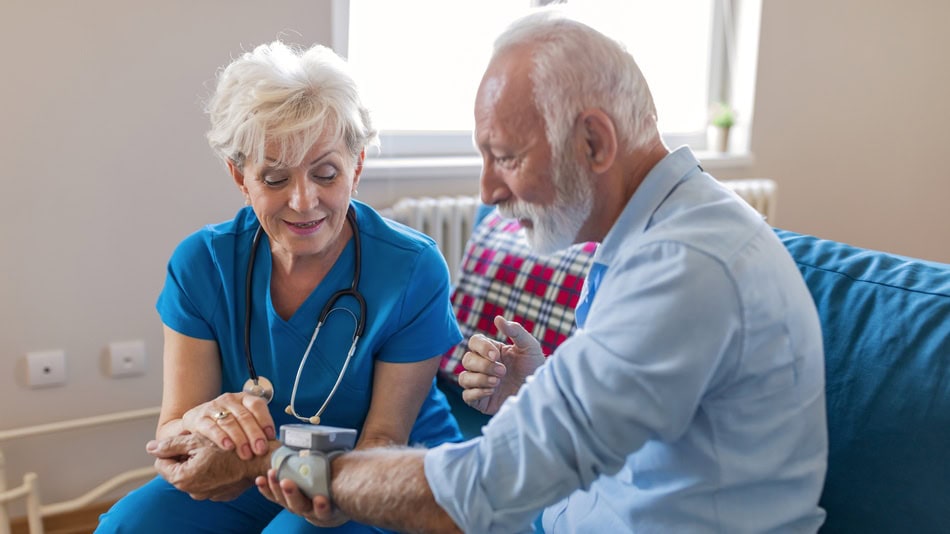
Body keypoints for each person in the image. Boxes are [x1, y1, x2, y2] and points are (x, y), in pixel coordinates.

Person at [147, 10, 829, 533]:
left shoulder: (686, 267)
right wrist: (535, 385)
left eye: (502, 156)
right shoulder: (650, 241)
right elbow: (624, 414)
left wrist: (271, 462)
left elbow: (481, 485)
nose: (486, 192)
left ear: (593, 141)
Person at [96, 40, 464, 533]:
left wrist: (258, 458)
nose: (304, 200)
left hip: (377, 477)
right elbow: (174, 431)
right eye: (274, 178)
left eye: (326, 173)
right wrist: (202, 426)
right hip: (253, 478)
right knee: (132, 524)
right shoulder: (202, 264)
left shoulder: (411, 268)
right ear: (239, 178)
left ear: (356, 168)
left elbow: (381, 443)